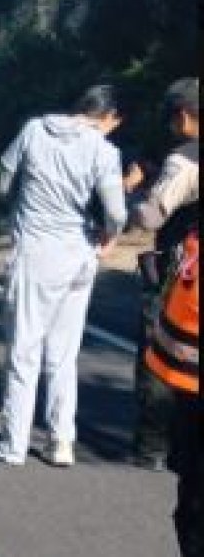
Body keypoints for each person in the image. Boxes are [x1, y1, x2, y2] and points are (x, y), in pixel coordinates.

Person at [0, 84, 128, 467]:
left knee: (23, 351)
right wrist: (108, 238)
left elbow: (2, 183)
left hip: (35, 252)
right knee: (63, 355)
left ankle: (13, 443)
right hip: (79, 256)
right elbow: (116, 212)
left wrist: (19, 208)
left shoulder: (34, 130)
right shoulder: (104, 151)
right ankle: (61, 441)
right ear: (108, 117)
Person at [130, 78, 198, 556]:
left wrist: (137, 192)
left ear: (184, 116)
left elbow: (151, 217)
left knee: (159, 357)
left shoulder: (186, 159)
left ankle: (152, 446)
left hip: (184, 289)